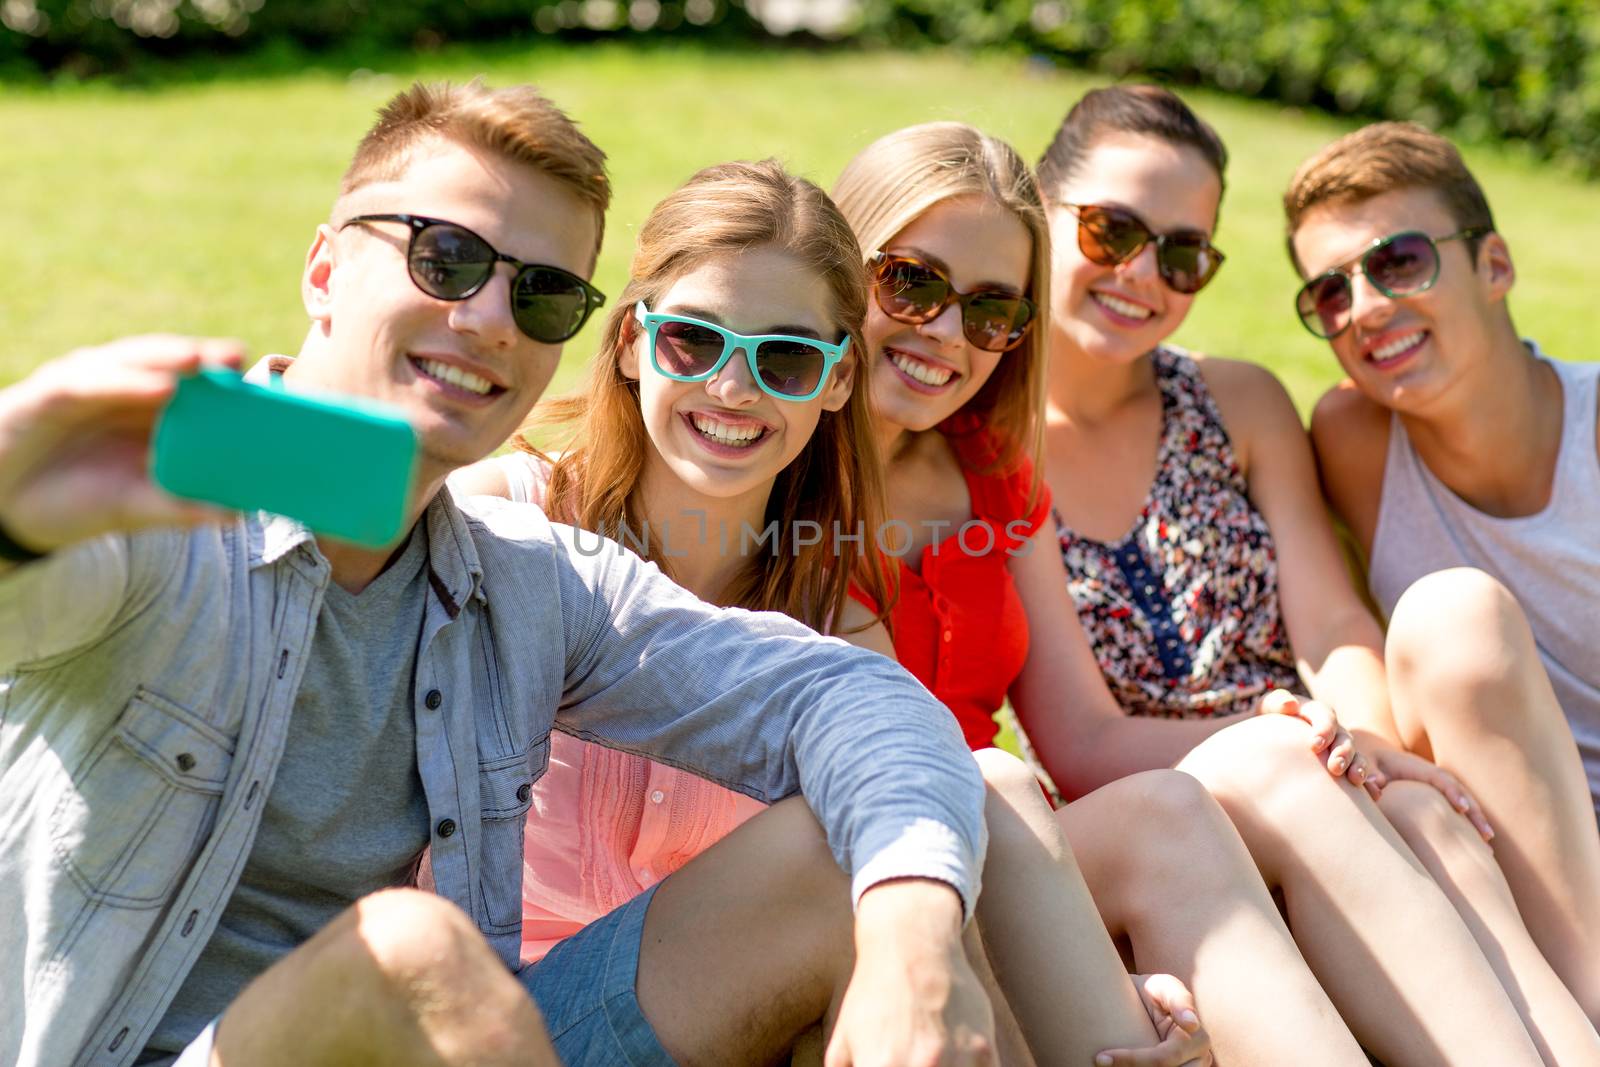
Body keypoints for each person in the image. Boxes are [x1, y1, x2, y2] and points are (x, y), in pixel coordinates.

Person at [0, 80, 1005, 1067]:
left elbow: (852, 696)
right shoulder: (154, 514)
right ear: (322, 270)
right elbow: (33, 589)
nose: (488, 320)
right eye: (446, 258)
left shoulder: (529, 582)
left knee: (857, 857)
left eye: (542, 293)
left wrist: (915, 946)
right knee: (408, 952)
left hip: (465, 1036)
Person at [452, 157, 1212, 1067]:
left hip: (733, 1012)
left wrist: (1066, 978)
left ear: (840, 378)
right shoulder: (509, 515)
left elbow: (908, 789)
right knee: (859, 859)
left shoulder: (829, 607)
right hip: (498, 1014)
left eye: (783, 358)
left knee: (968, 792)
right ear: (629, 343)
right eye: (695, 341)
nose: (734, 388)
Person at [1026, 84, 1600, 1062]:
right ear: (1036, 217)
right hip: (1182, 787)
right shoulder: (996, 452)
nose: (1140, 273)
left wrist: (1365, 744)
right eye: (1110, 228)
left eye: (1180, 253)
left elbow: (1330, 622)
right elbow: (1079, 737)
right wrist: (1299, 742)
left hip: (1318, 756)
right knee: (1306, 778)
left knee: (1420, 808)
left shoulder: (1236, 401)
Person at [1292, 119, 1600, 1021]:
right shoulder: (1351, 438)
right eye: (1331, 291)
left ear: (1495, 266)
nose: (1366, 307)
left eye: (1399, 262)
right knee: (1448, 615)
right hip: (1508, 842)